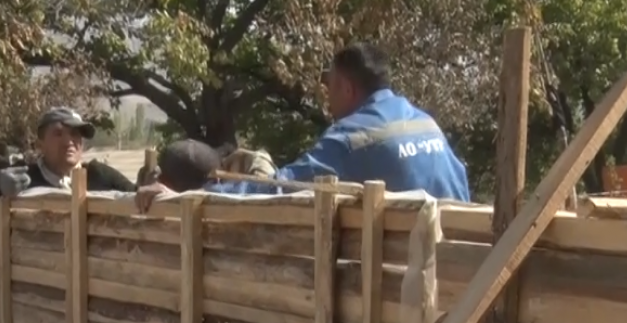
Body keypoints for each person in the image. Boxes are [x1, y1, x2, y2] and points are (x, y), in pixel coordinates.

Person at [135, 43, 471, 210]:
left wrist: (189, 197)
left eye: (330, 89)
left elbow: (279, 188)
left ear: (348, 89)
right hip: (460, 274)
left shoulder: (353, 136)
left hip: (406, 289)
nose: (327, 101)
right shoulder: (426, 122)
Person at [0, 107, 136, 205]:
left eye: (75, 134)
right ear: (40, 145)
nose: (69, 141)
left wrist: (152, 188)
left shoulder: (101, 176)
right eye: (58, 134)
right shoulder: (24, 177)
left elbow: (138, 195)